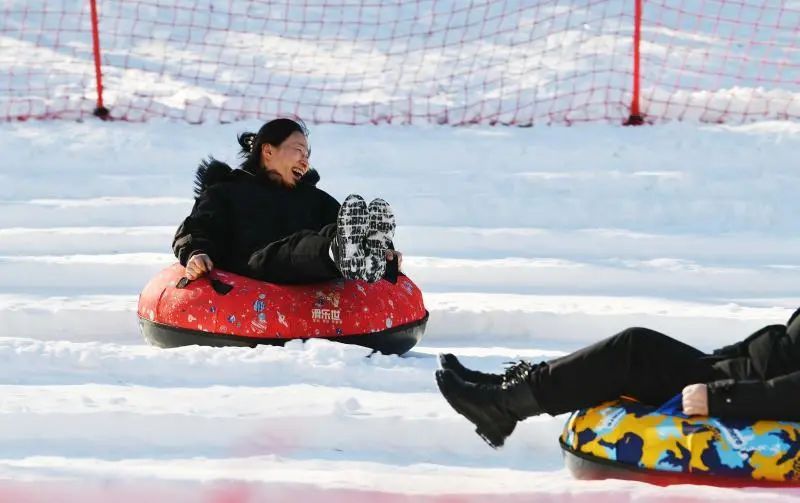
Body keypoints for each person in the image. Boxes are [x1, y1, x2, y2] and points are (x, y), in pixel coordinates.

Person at [436, 306, 800, 449]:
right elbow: (783, 345)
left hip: (736, 388)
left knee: (631, 351)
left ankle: (503, 406)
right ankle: (504, 392)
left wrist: (722, 397)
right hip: (728, 369)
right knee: (636, 342)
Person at [173, 118, 400, 284]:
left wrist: (387, 253)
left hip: (312, 270)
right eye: (299, 151)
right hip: (254, 267)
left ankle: (367, 252)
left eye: (308, 156)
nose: (305, 162)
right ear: (268, 151)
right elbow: (197, 227)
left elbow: (345, 223)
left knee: (335, 229)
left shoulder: (311, 197)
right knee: (296, 247)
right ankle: (338, 252)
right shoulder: (225, 192)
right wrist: (196, 253)